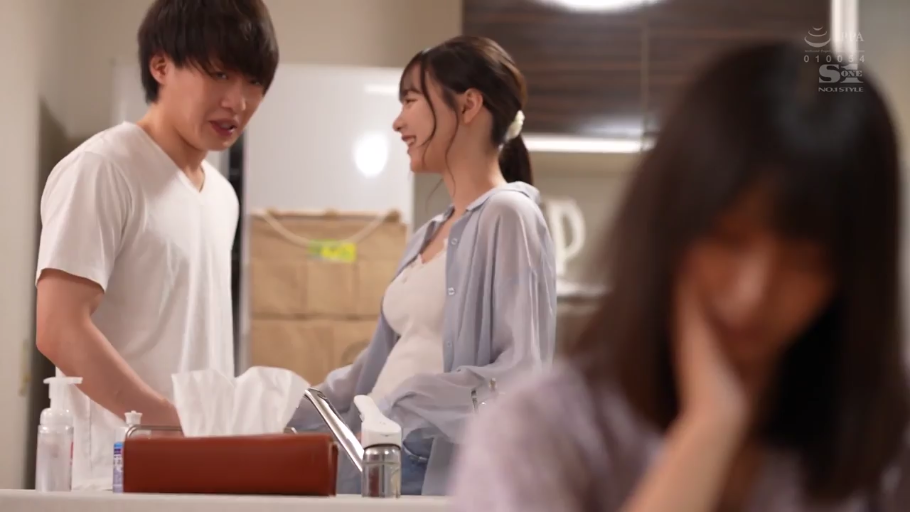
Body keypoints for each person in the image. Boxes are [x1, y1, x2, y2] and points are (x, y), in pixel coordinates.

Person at [450, 41, 910, 511]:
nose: (753, 294)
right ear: (668, 224)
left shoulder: (889, 435)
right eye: (727, 239)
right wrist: (707, 432)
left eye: (806, 262)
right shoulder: (539, 433)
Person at [288, 35, 557, 496]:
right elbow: (372, 370)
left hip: (427, 468)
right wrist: (287, 406)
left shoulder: (508, 215)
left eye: (411, 100)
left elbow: (521, 373)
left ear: (468, 105)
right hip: (376, 463)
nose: (398, 122)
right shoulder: (428, 233)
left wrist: (403, 406)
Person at [34, 0, 278, 491]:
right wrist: (168, 421)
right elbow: (58, 328)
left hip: (201, 470)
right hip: (115, 477)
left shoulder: (222, 196)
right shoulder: (103, 168)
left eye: (254, 81)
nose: (238, 101)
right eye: (220, 74)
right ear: (161, 66)